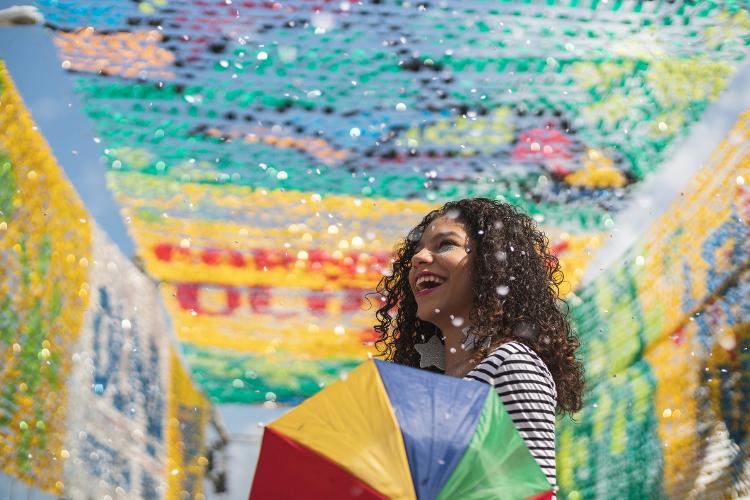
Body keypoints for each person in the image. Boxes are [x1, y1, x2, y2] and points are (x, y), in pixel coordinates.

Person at [374, 197, 585, 492]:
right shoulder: (428, 386)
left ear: (490, 264)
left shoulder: (511, 364)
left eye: (445, 244)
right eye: (417, 250)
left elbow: (533, 493)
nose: (418, 258)